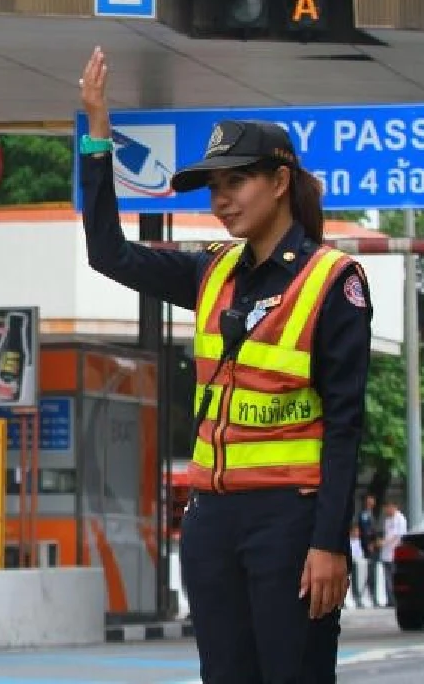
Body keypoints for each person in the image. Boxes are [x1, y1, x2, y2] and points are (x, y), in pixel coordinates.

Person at [77, 47, 373, 683]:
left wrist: (329, 542)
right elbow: (109, 254)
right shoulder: (211, 270)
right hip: (212, 520)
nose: (221, 199)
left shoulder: (333, 280)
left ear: (280, 181)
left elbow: (346, 425)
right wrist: (97, 136)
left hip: (289, 520)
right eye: (213, 187)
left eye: (234, 182)